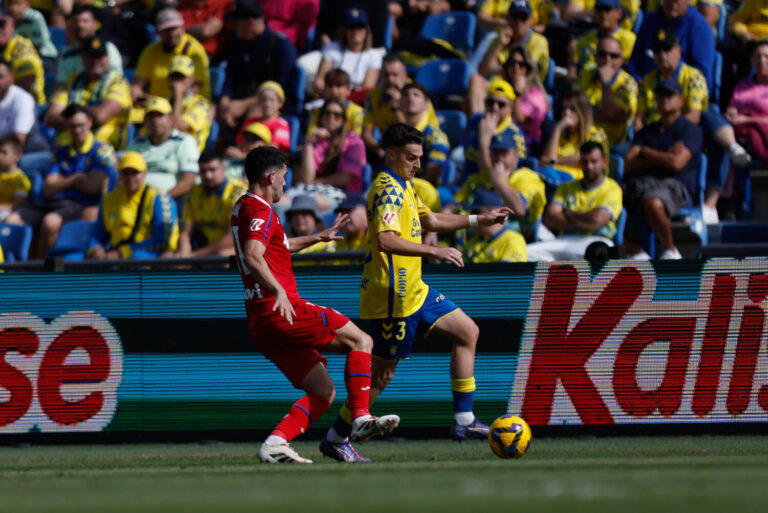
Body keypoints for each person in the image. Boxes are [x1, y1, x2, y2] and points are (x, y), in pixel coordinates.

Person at [320, 123, 513, 462]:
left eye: (420, 157)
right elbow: (386, 240)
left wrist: (480, 220)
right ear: (391, 154)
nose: (418, 164)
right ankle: (337, 437)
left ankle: (464, 420)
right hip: (392, 294)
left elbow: (433, 222)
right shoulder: (386, 189)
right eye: (411, 157)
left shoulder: (404, 185)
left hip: (415, 290)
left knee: (468, 331)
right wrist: (434, 252)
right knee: (381, 376)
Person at [231, 145, 400, 464]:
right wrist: (278, 290)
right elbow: (254, 255)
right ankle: (361, 417)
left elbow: (276, 246)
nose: (285, 183)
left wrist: (317, 238)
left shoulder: (242, 207)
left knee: (323, 392)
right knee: (361, 340)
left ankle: (275, 443)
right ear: (271, 176)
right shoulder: (261, 209)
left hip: (260, 322)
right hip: (280, 309)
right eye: (283, 176)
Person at [638, 29, 750, 224]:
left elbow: (695, 115)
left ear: (678, 51)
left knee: (711, 119)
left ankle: (710, 203)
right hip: (655, 135)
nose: (662, 55)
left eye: (667, 49)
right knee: (620, 152)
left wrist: (675, 135)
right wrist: (650, 139)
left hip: (688, 132)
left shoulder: (693, 76)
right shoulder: (647, 81)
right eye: (657, 50)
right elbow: (639, 119)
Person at [6, 104, 117, 258]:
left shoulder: (102, 150)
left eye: (81, 125)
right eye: (72, 126)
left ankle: (44, 273)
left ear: (90, 123)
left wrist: (62, 182)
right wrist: (77, 178)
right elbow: (49, 187)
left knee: (50, 222)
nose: (77, 130)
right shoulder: (61, 151)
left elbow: (92, 186)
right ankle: (17, 271)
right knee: (12, 220)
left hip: (81, 204)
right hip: (52, 203)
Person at [623, 78, 702, 260]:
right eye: (659, 95)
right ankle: (636, 253)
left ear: (681, 99)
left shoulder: (690, 130)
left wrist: (645, 152)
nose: (663, 98)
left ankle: (670, 251)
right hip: (642, 183)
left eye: (669, 94)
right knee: (611, 200)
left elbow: (676, 164)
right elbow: (627, 164)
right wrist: (663, 154)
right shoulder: (646, 131)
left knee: (653, 201)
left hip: (676, 186)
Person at [526, 141, 623, 261]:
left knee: (602, 253)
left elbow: (597, 220)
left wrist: (568, 214)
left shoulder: (613, 188)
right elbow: (550, 218)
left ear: (604, 162)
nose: (589, 166)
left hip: (599, 240)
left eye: (594, 161)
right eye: (585, 161)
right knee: (526, 253)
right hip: (565, 240)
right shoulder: (566, 187)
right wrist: (587, 220)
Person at [218, 0, 297, 128]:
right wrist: (225, 100)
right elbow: (230, 77)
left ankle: (242, 147)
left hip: (269, 103)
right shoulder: (237, 43)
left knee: (256, 112)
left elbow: (281, 89)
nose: (233, 27)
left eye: (236, 23)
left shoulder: (281, 46)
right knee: (210, 111)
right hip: (237, 101)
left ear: (250, 22)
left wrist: (245, 104)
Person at [456, 129, 546, 241]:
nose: (499, 157)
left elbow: (520, 209)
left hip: (517, 239)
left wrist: (499, 182)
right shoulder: (478, 179)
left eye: (504, 152)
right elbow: (455, 205)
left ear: (516, 156)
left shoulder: (527, 177)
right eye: (495, 152)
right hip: (475, 238)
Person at [45, 36, 132, 150]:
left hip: (105, 153)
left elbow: (101, 116)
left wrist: (71, 115)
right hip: (67, 153)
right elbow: (51, 118)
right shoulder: (73, 82)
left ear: (107, 58)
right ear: (83, 58)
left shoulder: (119, 83)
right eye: (90, 57)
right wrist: (85, 118)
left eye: (99, 56)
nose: (95, 61)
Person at [88, 151, 178, 260]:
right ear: (119, 174)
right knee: (72, 259)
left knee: (137, 258)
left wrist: (124, 252)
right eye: (125, 173)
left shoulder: (159, 198)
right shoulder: (109, 199)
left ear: (145, 173)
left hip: (148, 256)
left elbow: (163, 240)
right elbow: (98, 234)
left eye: (135, 172)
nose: (130, 177)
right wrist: (95, 248)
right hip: (114, 254)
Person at [630, 0, 715, 92]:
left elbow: (703, 79)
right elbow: (634, 63)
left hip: (679, 96)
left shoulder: (699, 27)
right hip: (644, 91)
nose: (671, 3)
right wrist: (641, 85)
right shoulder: (651, 21)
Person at [132, 7, 211, 103]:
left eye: (174, 28)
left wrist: (162, 103)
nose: (171, 33)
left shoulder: (195, 50)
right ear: (158, 32)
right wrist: (138, 97)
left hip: (188, 105)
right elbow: (137, 84)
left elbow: (195, 90)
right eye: (167, 30)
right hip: (155, 106)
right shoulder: (150, 51)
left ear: (183, 27)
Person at [127, 96, 199, 200]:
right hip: (136, 202)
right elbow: (123, 176)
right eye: (151, 116)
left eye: (160, 115)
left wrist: (160, 202)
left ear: (171, 119)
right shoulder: (136, 143)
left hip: (172, 202)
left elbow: (188, 182)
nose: (155, 120)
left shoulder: (184, 141)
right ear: (145, 121)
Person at [177, 152, 244, 258]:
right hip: (202, 248)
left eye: (213, 170)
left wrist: (194, 256)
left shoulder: (238, 193)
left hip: (233, 248)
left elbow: (232, 238)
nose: (208, 175)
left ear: (223, 168)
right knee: (168, 257)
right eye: (203, 171)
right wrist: (184, 252)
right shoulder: (195, 192)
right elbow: (185, 232)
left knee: (222, 256)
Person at [577, 35, 638, 147]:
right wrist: (598, 114)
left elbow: (614, 117)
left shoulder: (628, 83)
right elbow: (574, 108)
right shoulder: (586, 75)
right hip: (580, 137)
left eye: (613, 56)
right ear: (595, 57)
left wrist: (606, 84)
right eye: (602, 55)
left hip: (611, 144)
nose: (607, 60)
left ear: (621, 60)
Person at [463, 77, 527, 184]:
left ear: (510, 107)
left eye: (501, 104)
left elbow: (490, 178)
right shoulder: (475, 120)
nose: (495, 107)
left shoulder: (515, 137)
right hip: (466, 182)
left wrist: (485, 142)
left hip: (489, 188)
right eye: (490, 102)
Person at [540, 88, 611, 182]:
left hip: (579, 183)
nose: (566, 112)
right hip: (553, 177)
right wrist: (557, 129)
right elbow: (544, 161)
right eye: (564, 108)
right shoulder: (563, 135)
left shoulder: (596, 134)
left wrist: (555, 161)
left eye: (572, 109)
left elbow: (586, 159)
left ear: (583, 112)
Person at [298, 98, 366, 195]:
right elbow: (307, 177)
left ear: (343, 120)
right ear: (321, 116)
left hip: (342, 193)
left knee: (308, 204)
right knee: (283, 202)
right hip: (312, 190)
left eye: (337, 115)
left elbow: (345, 178)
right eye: (327, 113)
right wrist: (308, 144)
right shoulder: (316, 141)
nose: (331, 117)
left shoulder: (355, 142)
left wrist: (314, 183)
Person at [477, 0, 549, 84]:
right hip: (497, 88)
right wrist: (499, 44)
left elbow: (530, 75)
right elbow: (482, 71)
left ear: (531, 19)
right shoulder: (500, 40)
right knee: (476, 80)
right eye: (515, 17)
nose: (519, 22)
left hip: (524, 91)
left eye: (523, 17)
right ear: (507, 18)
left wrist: (500, 70)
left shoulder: (539, 41)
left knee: (519, 82)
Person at [54, 5, 122, 94]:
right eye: (75, 21)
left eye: (85, 21)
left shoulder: (108, 49)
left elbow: (117, 81)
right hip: (73, 100)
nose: (80, 25)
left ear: (95, 24)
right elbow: (61, 86)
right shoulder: (66, 54)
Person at [313, 8, 380, 98]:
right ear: (344, 30)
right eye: (352, 27)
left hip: (356, 103)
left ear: (366, 30)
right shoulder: (331, 48)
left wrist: (343, 96)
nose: (356, 31)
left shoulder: (374, 55)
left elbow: (367, 89)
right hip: (329, 99)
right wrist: (332, 95)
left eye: (360, 27)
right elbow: (319, 81)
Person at [568, 0, 636, 82]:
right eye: (599, 10)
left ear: (619, 13)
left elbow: (628, 70)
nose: (603, 14)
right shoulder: (585, 40)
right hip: (585, 89)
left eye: (607, 10)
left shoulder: (629, 39)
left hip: (615, 88)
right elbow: (573, 69)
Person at [399, 82, 450, 186]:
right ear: (400, 103)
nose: (410, 98)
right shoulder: (397, 134)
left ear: (426, 104)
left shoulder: (435, 136)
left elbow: (432, 176)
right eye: (406, 95)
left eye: (416, 95)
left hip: (426, 190)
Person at [727, 41, 768, 167]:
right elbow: (732, 108)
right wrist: (731, 114)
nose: (762, 60)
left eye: (766, 56)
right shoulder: (742, 84)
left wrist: (748, 118)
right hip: (741, 133)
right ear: (751, 60)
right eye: (758, 56)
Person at [461, 190, 527, 263]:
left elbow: (509, 272)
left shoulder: (513, 239)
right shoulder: (472, 241)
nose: (473, 216)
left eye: (475, 212)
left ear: (493, 214)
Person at [228, 81, 291, 154]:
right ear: (258, 102)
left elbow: (273, 152)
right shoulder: (250, 121)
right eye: (263, 100)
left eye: (272, 100)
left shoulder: (282, 124)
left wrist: (243, 156)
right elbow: (240, 143)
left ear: (280, 103)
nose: (267, 104)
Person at [167, 55, 212, 154]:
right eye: (175, 77)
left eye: (182, 77)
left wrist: (178, 95)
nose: (178, 82)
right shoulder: (164, 103)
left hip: (189, 155)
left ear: (192, 79)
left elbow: (178, 127)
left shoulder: (201, 104)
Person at [0, 6, 44, 104]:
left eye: (2, 24)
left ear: (13, 25)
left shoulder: (22, 49)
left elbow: (23, 93)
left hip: (27, 107)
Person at [306, 68, 364, 136]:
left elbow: (357, 139)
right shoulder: (318, 110)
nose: (334, 90)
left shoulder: (357, 112)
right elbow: (309, 136)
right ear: (324, 89)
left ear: (348, 90)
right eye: (330, 86)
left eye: (338, 86)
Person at [0, 57, 38, 148]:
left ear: (12, 78)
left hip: (24, 153)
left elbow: (18, 141)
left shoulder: (23, 99)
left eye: (1, 77)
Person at [0, 134, 29, 221]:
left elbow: (15, 205)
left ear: (17, 156)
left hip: (6, 213)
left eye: (4, 152)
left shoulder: (21, 180)